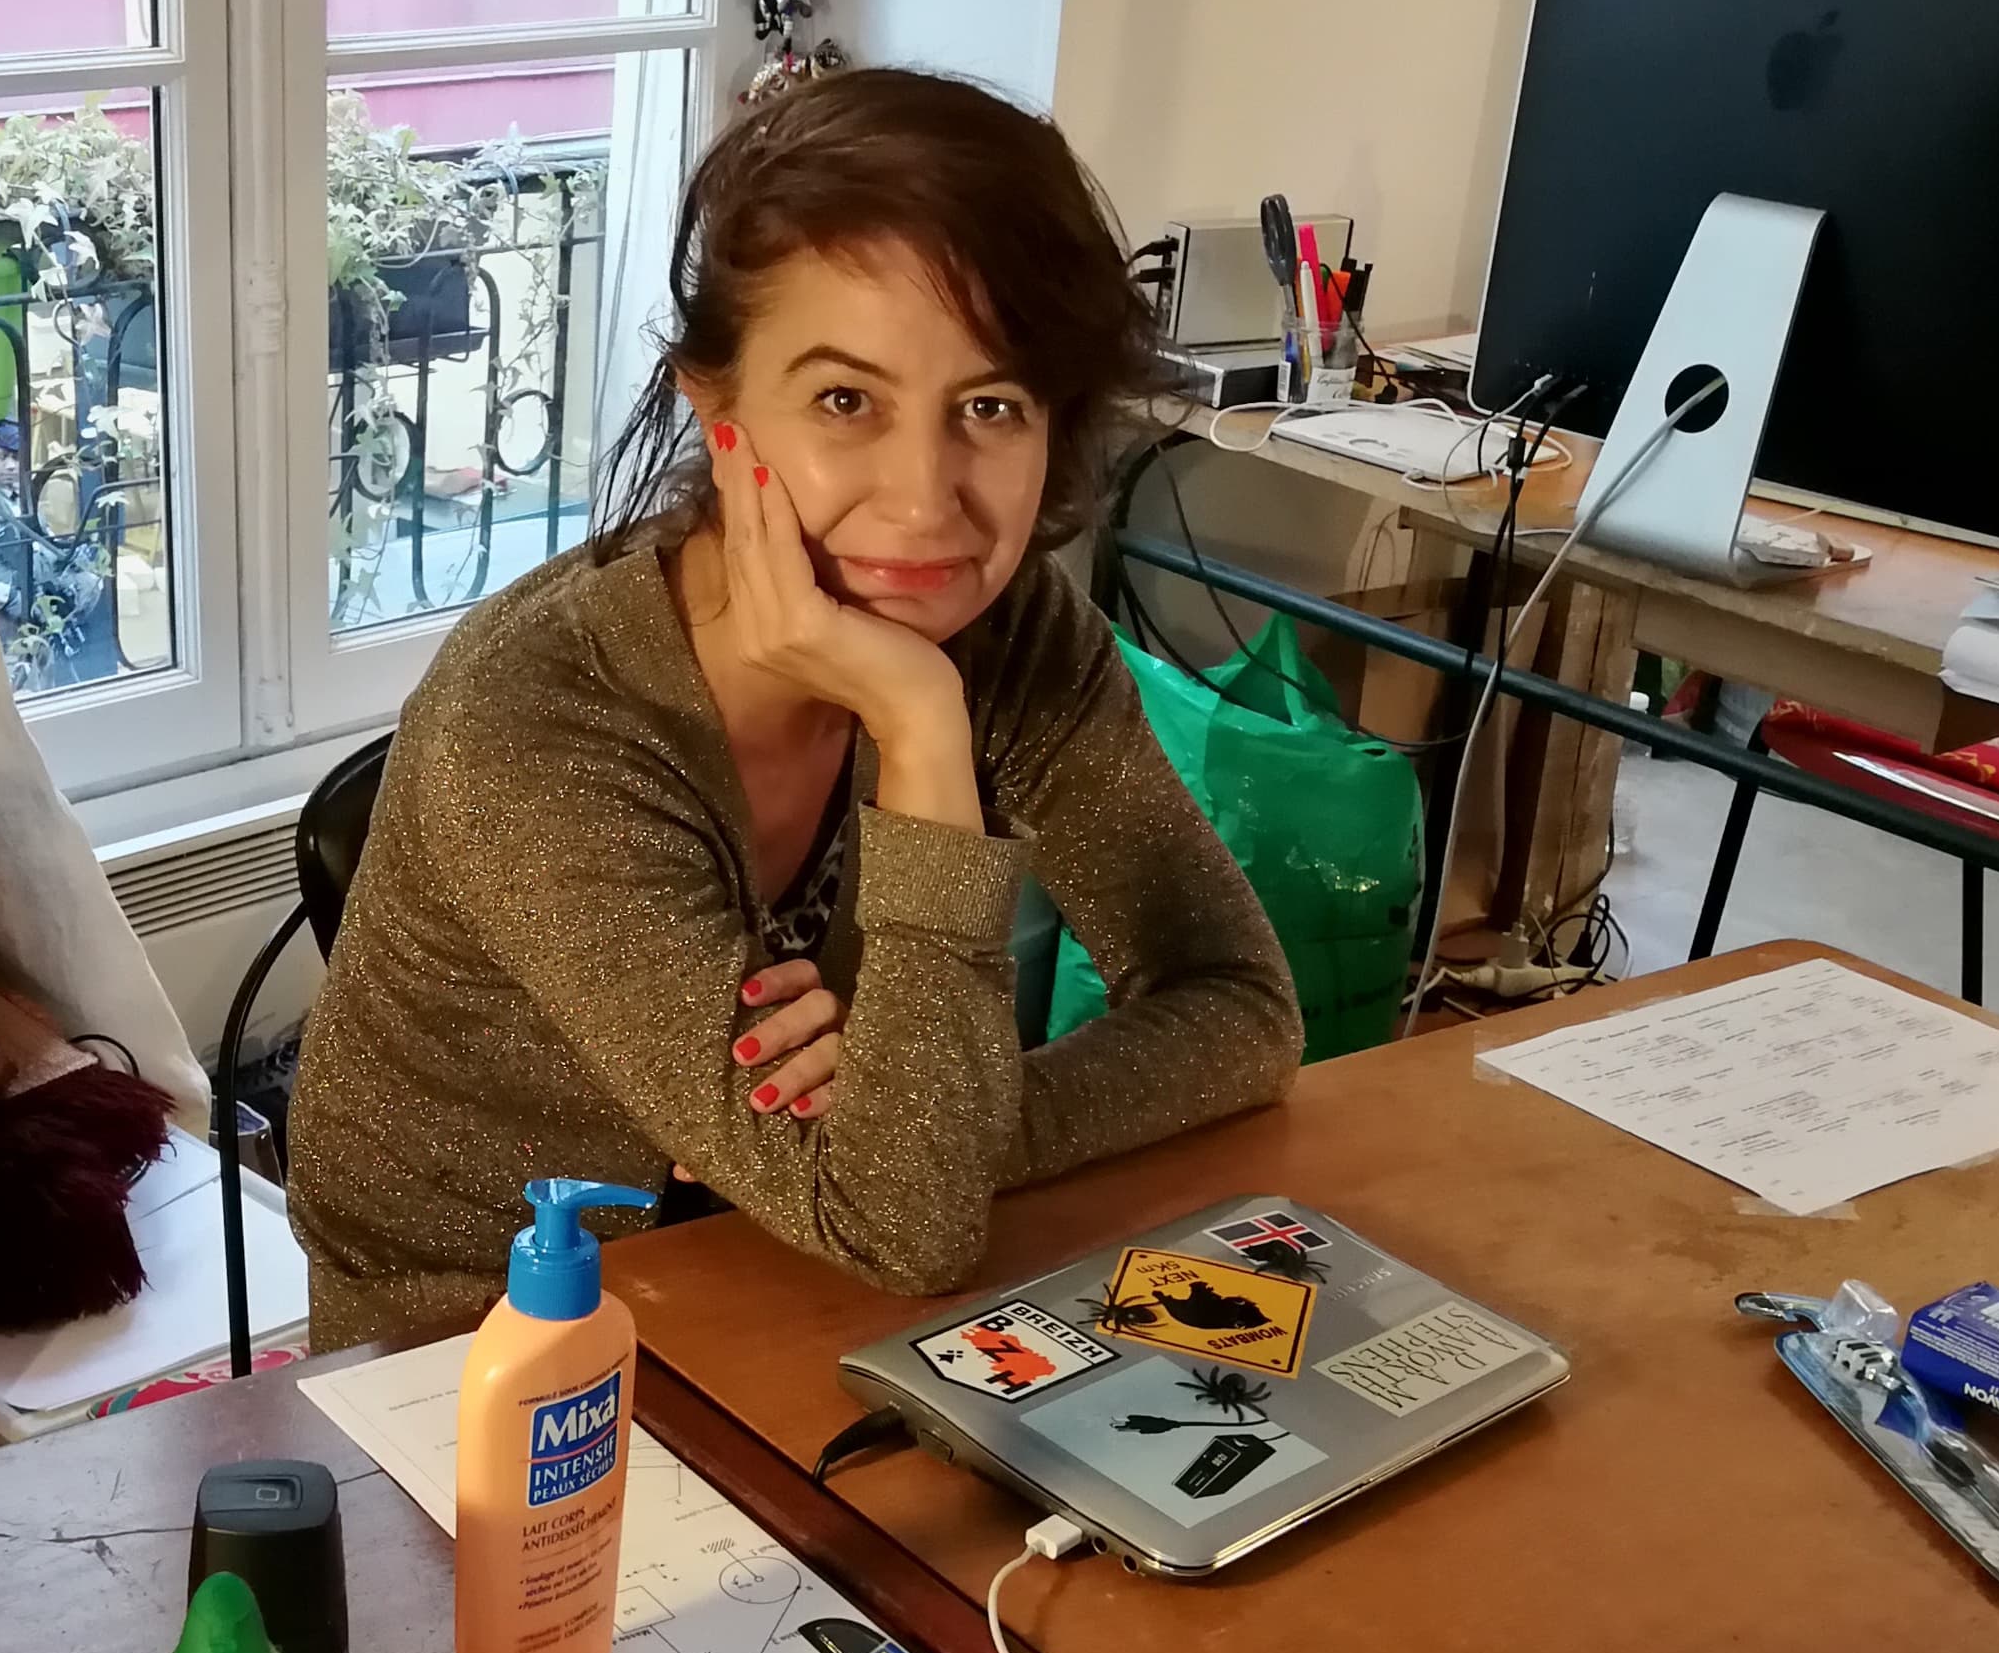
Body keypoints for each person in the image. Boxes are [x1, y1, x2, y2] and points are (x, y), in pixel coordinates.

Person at [289, 68, 1300, 1349]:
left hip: (801, 1274)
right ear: (717, 409)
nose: (924, 500)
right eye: (844, 401)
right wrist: (920, 723)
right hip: (474, 1343)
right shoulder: (539, 724)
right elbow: (901, 1220)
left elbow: (1241, 1008)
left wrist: (935, 1112)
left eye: (991, 406)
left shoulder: (1012, 629)